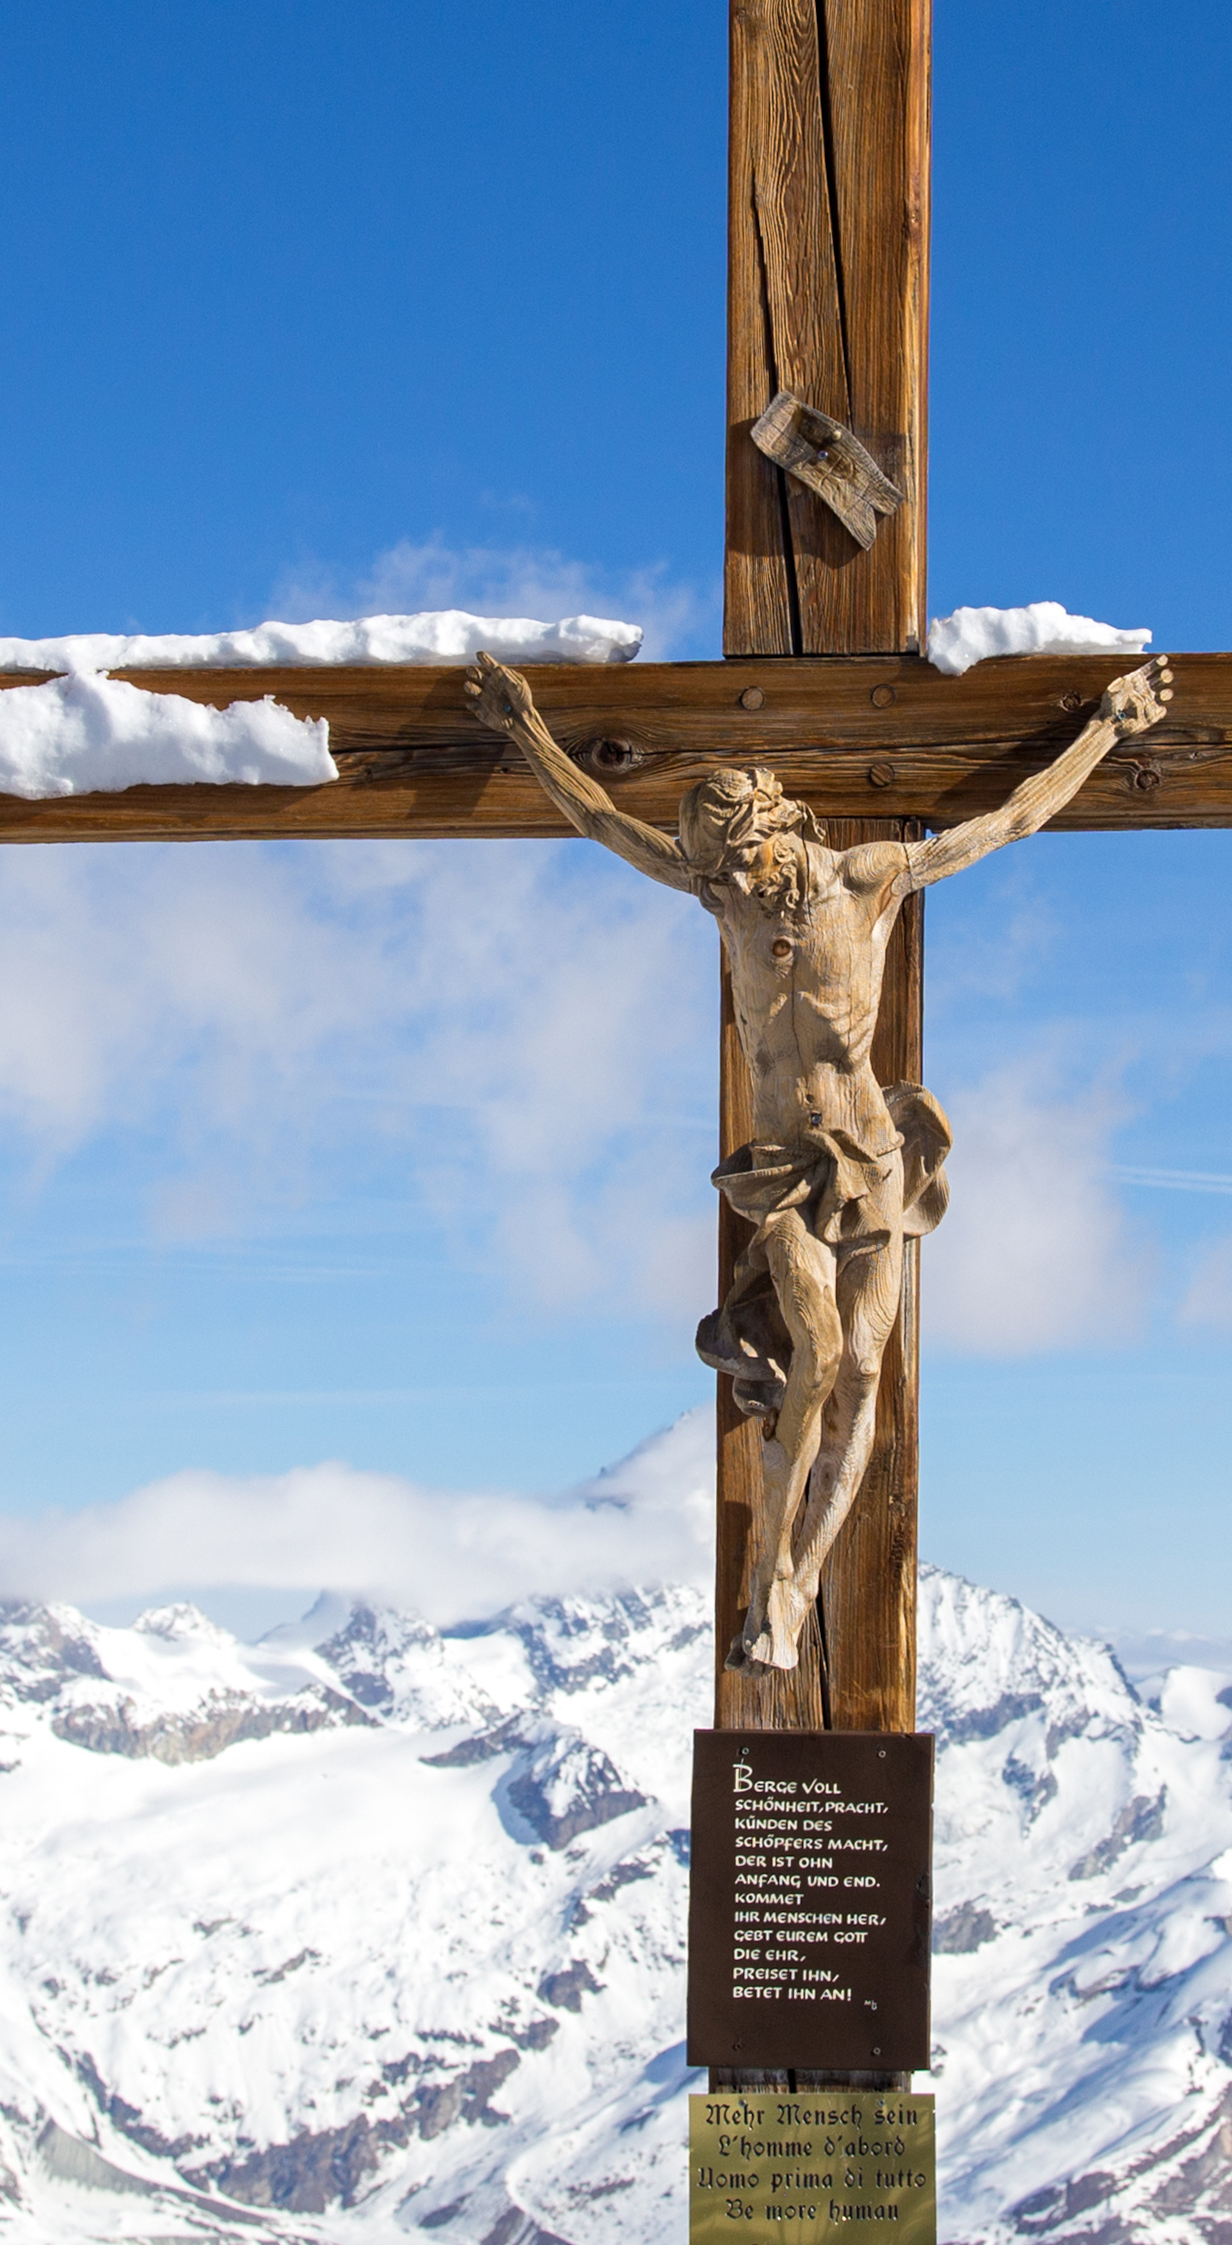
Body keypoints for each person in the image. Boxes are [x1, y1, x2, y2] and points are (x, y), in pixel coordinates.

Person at [461, 650, 1174, 1669]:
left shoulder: (868, 879)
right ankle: (768, 1579)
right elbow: (601, 824)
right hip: (785, 1172)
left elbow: (1005, 821)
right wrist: (521, 725)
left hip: (873, 1165)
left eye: (745, 860)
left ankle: (794, 1585)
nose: (735, 882)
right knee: (820, 1350)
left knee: (863, 1379)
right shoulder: (725, 901)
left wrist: (1105, 726)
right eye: (720, 870)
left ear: (782, 830)